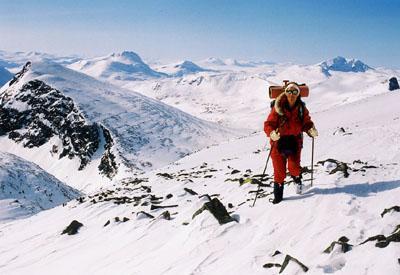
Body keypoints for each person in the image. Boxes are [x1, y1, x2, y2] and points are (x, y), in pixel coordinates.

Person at [264, 82, 318, 204]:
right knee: (279, 171)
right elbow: (268, 124)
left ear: (298, 94)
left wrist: (310, 129)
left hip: (295, 141)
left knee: (294, 168)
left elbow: (306, 122)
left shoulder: (301, 109)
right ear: (285, 92)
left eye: (294, 92)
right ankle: (278, 197)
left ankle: (297, 180)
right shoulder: (277, 108)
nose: (291, 94)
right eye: (289, 91)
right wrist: (272, 133)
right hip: (278, 143)